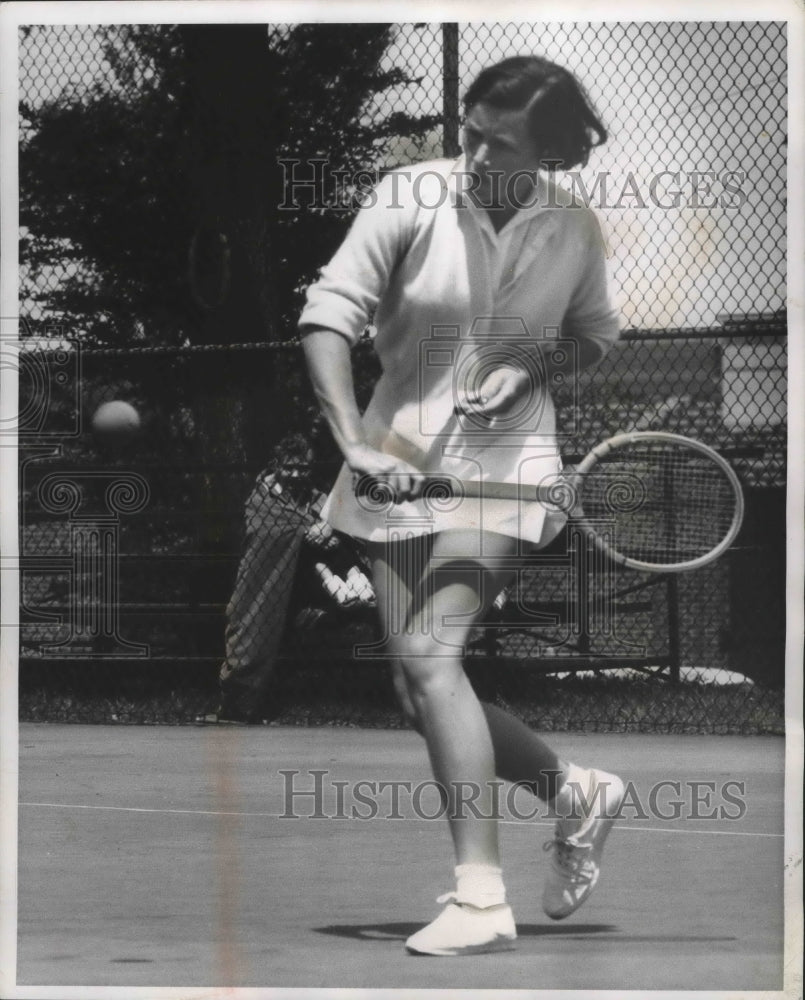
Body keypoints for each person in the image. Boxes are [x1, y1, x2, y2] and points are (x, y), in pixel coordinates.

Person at [300, 55, 626, 956]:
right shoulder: (409, 194)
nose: (476, 153)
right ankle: (572, 791)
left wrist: (530, 365)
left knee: (428, 651)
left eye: (501, 142)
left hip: (511, 467)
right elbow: (328, 317)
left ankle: (480, 897)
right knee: (415, 686)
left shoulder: (573, 226)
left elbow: (593, 339)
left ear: (551, 151)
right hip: (393, 460)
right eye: (470, 132)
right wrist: (357, 448)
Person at [199, 432, 375, 725]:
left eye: (303, 468)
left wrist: (330, 531)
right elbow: (264, 532)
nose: (296, 474)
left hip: (308, 583)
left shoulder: (315, 496)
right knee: (248, 627)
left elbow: (339, 521)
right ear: (276, 465)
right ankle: (237, 707)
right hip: (267, 584)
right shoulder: (260, 498)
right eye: (289, 467)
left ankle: (343, 600)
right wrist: (305, 534)